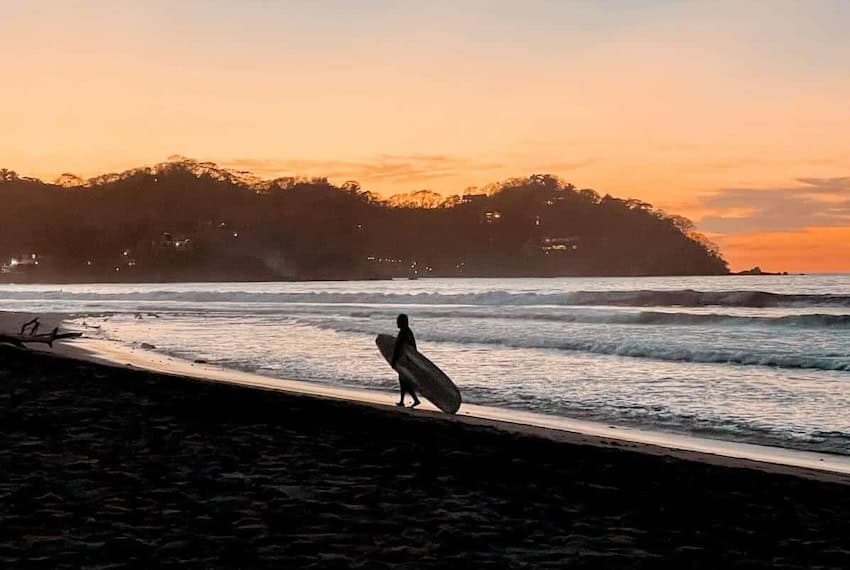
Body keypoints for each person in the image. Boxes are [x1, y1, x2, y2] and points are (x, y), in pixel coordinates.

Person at [391, 313, 421, 408]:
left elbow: (398, 347)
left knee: (404, 381)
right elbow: (413, 348)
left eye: (398, 321)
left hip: (405, 361)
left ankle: (414, 400)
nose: (397, 323)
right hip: (407, 360)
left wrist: (394, 360)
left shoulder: (404, 333)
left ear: (402, 322)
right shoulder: (408, 332)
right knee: (403, 381)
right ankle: (402, 401)